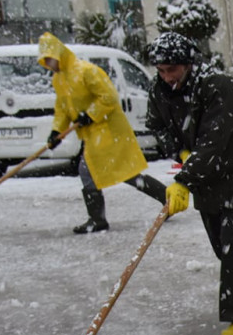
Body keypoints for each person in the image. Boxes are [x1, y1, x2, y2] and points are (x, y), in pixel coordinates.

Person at [145, 32, 233, 335]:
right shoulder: (160, 91)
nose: (166, 76)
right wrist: (181, 153)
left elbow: (215, 138)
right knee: (222, 246)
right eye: (161, 70)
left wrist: (184, 178)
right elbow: (157, 127)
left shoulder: (216, 86)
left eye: (172, 69)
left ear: (188, 64)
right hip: (205, 180)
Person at [38, 32, 166, 234]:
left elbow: (108, 97)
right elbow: (62, 109)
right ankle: (166, 198)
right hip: (93, 134)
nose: (49, 63)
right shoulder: (59, 80)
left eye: (50, 58)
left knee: (94, 170)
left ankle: (98, 219)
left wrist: (89, 114)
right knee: (126, 173)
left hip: (109, 130)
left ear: (59, 54)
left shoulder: (86, 71)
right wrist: (56, 131)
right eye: (45, 60)